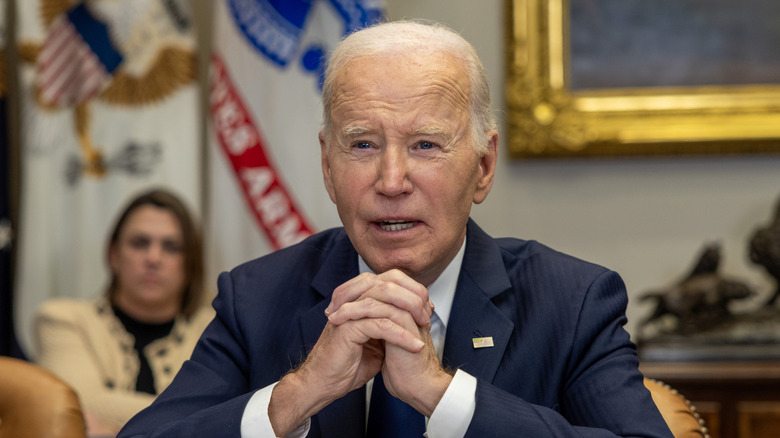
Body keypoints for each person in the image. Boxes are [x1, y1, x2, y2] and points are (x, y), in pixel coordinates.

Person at [119, 21, 673, 437]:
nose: (390, 180)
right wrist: (298, 393)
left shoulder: (571, 302)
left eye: (425, 145)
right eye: (362, 144)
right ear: (327, 167)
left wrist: (444, 396)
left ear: (482, 167)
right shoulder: (257, 296)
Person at [34, 188, 214, 436]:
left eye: (171, 247)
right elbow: (77, 403)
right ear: (113, 255)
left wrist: (112, 430)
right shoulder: (63, 319)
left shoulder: (217, 329)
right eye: (140, 243)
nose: (153, 258)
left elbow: (234, 413)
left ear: (190, 262)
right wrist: (198, 419)